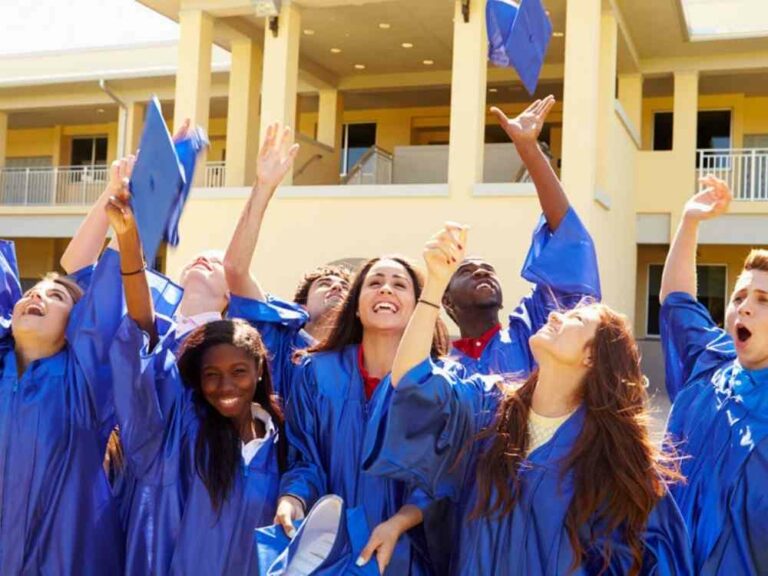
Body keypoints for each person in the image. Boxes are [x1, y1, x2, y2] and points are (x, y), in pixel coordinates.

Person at [362, 223, 694, 575]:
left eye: (574, 318)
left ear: (592, 357)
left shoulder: (614, 463)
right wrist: (434, 284)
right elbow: (412, 379)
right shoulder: (489, 409)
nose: (554, 314)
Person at [106, 177, 286, 575]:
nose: (204, 260)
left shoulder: (238, 347)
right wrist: (131, 245)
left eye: (217, 260)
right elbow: (140, 323)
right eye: (196, 257)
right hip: (156, 512)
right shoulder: (160, 338)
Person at [274, 252, 449, 575]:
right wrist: (293, 498)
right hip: (329, 551)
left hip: (408, 553)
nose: (386, 290)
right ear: (356, 305)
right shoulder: (317, 373)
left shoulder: (440, 384)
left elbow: (446, 475)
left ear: (417, 308)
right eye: (375, 283)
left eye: (399, 284)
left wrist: (399, 522)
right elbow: (305, 460)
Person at [443, 96, 600, 376]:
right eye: (467, 271)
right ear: (446, 301)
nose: (482, 272)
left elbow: (570, 243)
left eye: (488, 270)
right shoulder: (439, 369)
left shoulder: (531, 335)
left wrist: (528, 149)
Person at [659, 175, 768, 574]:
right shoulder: (709, 364)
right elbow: (677, 300)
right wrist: (689, 222)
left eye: (763, 300)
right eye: (739, 297)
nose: (744, 308)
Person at [0, 238, 128, 573]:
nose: (35, 296)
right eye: (29, 293)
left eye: (55, 296)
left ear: (77, 328)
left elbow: (111, 286)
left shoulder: (86, 386)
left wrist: (129, 202)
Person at [225, 122, 351, 399]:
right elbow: (235, 269)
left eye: (345, 286)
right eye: (324, 284)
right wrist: (264, 187)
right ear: (301, 306)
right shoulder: (279, 337)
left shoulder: (360, 359)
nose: (337, 287)